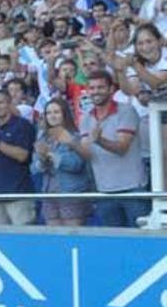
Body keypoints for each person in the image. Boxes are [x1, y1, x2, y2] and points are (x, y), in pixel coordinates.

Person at [78, 70, 150, 227]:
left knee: (141, 241)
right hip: (104, 190)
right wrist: (69, 142)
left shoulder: (126, 111)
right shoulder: (85, 118)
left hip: (132, 188)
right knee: (114, 243)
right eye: (92, 88)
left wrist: (99, 140)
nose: (95, 91)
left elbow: (122, 148)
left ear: (111, 89)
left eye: (100, 87)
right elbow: (87, 154)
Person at [0, 90, 37, 225]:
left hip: (18, 194)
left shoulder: (23, 125)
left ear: (9, 104)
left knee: (23, 240)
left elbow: (22, 155)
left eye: (1, 103)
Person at [32, 98, 93, 226]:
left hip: (70, 192)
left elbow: (76, 164)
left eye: (56, 112)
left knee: (72, 237)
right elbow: (34, 168)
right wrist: (43, 160)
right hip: (49, 192)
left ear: (64, 114)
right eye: (48, 113)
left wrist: (51, 155)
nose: (52, 116)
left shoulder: (75, 136)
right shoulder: (42, 137)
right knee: (54, 238)